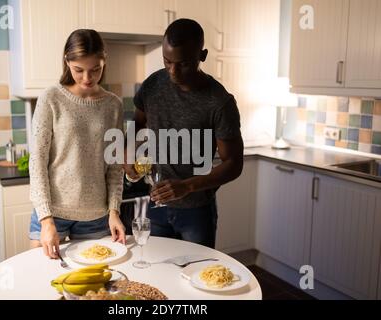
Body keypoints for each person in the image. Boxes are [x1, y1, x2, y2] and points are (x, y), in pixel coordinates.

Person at [124, 19, 244, 248]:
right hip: (156, 205)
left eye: (184, 64)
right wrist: (129, 152)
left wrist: (187, 186)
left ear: (203, 55)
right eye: (167, 62)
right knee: (157, 272)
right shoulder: (153, 85)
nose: (173, 72)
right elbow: (138, 123)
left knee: (198, 274)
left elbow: (234, 164)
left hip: (196, 212)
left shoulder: (219, 102)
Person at [29, 29, 126, 259]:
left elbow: (114, 166)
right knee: (44, 283)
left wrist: (114, 211)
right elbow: (37, 162)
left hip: (96, 216)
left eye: (95, 69)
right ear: (67, 62)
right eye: (78, 70)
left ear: (104, 62)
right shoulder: (51, 98)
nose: (87, 78)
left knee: (97, 287)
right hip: (52, 213)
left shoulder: (113, 105)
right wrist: (45, 219)